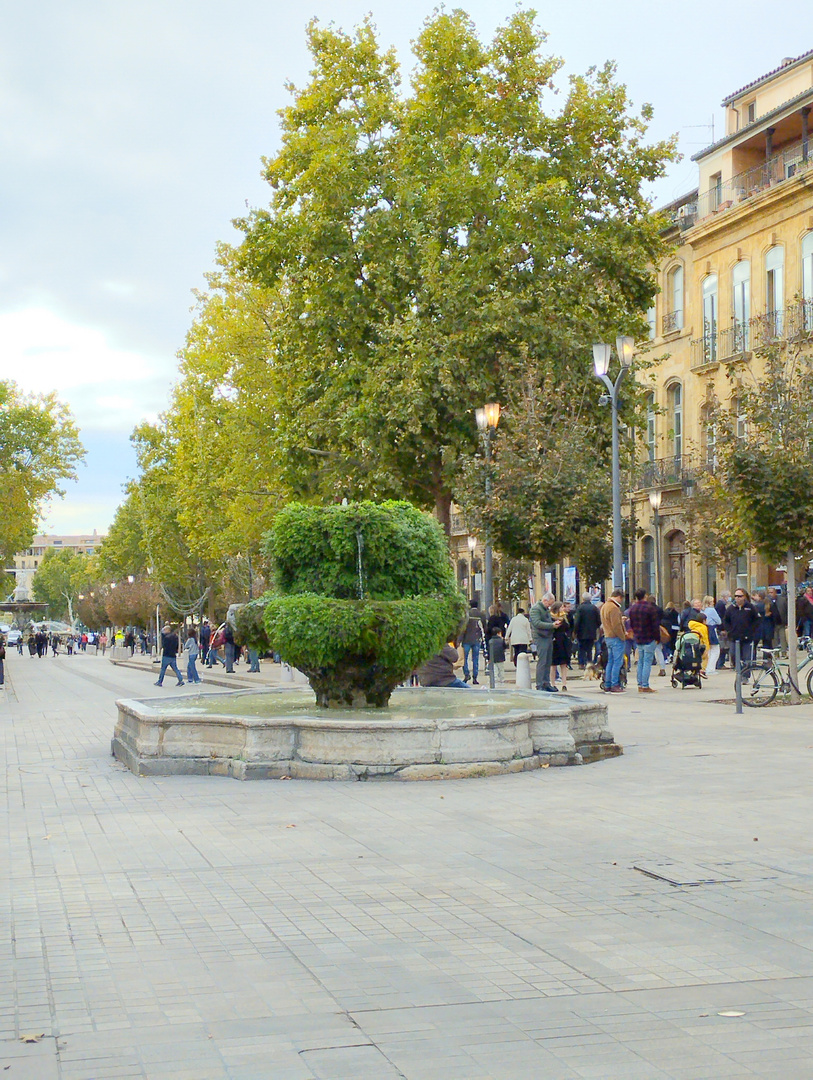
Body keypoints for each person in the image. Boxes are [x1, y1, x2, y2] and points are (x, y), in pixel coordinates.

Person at [627, 588, 661, 693]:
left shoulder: (632, 609)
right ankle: (645, 685)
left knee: (640, 661)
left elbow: (631, 624)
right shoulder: (650, 608)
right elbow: (655, 625)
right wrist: (657, 638)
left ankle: (640, 684)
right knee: (647, 661)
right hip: (649, 637)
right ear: (645, 596)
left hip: (638, 637)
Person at [723, 588, 758, 675]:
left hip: (747, 638)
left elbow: (757, 620)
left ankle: (745, 675)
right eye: (736, 596)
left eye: (740, 596)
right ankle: (738, 673)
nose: (737, 598)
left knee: (747, 658)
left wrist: (752, 631)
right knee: (734, 655)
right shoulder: (731, 608)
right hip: (734, 637)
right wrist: (729, 631)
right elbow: (726, 620)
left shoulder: (750, 607)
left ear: (744, 597)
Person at [529, 592, 557, 692]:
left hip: (548, 636)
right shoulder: (536, 609)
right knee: (542, 661)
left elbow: (546, 620)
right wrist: (552, 625)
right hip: (541, 637)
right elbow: (537, 623)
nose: (550, 606)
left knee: (548, 661)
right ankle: (539, 684)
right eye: (549, 603)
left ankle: (546, 682)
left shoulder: (545, 609)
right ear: (545, 600)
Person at [600, 588, 626, 693]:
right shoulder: (614, 608)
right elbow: (616, 625)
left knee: (610, 662)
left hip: (608, 637)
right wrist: (623, 636)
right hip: (615, 638)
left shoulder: (605, 606)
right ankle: (615, 684)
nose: (621, 601)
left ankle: (608, 684)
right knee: (617, 662)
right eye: (621, 599)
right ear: (619, 597)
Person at [461, 600, 487, 685]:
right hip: (476, 639)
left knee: (464, 658)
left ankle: (466, 674)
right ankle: (475, 677)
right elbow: (484, 628)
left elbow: (462, 628)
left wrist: (459, 640)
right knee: (475, 659)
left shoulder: (466, 615)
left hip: (466, 639)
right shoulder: (481, 615)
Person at [572, 593, 601, 669]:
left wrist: (575, 631)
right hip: (592, 632)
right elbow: (599, 621)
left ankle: (581, 663)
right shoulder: (594, 608)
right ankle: (589, 663)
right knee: (589, 649)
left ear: (583, 599)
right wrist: (595, 628)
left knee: (581, 648)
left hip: (581, 632)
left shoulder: (580, 608)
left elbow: (577, 621)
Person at [549, 602, 571, 692]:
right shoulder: (551, 617)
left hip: (563, 641)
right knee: (553, 665)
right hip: (554, 641)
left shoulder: (565, 617)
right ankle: (553, 683)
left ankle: (564, 683)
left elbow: (569, 627)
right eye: (561, 607)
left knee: (564, 663)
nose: (563, 609)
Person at [155, 623, 184, 687]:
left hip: (166, 655)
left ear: (168, 630)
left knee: (163, 669)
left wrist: (162, 635)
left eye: (165, 630)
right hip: (173, 655)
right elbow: (177, 645)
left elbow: (164, 645)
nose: (164, 631)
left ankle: (160, 681)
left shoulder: (166, 638)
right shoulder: (175, 637)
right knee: (175, 669)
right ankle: (181, 680)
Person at [687, 609, 711, 676]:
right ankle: (702, 670)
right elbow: (705, 638)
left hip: (692, 644)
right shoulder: (703, 627)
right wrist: (707, 648)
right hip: (700, 644)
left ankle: (694, 671)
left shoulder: (693, 626)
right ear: (703, 621)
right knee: (705, 658)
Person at [702, 595, 722, 672]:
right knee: (716, 650)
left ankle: (706, 667)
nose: (713, 603)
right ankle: (711, 668)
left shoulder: (703, 610)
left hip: (705, 629)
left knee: (708, 650)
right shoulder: (711, 610)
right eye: (712, 601)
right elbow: (719, 621)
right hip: (712, 629)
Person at [715, 591, 732, 668]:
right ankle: (720, 663)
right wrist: (723, 628)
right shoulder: (721, 605)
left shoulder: (722, 605)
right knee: (723, 647)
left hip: (722, 628)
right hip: (722, 629)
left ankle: (720, 663)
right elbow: (721, 618)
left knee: (724, 647)